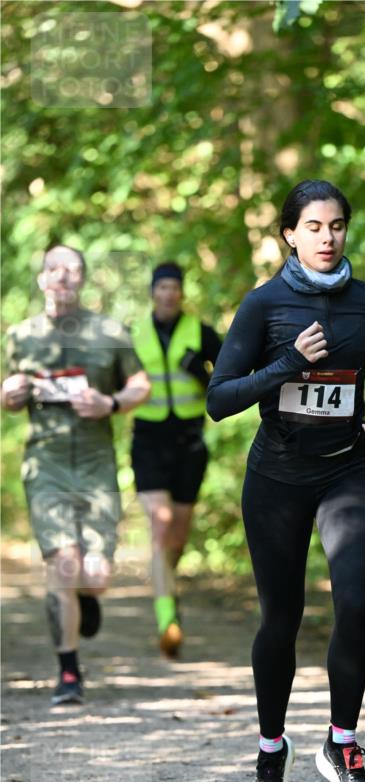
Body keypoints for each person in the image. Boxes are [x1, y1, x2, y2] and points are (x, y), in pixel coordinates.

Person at [207, 179, 365, 782]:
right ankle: (271, 751)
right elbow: (219, 399)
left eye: (337, 226)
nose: (327, 237)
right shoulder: (264, 305)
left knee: (355, 604)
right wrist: (287, 363)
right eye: (314, 227)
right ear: (290, 234)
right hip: (277, 478)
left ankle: (341, 744)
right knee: (281, 619)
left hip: (349, 470)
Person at [1, 244, 151, 705]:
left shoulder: (110, 332)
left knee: (96, 575)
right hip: (45, 464)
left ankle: (87, 595)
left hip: (95, 464)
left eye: (71, 270)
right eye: (54, 269)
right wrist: (10, 393)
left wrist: (110, 403)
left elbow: (140, 385)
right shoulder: (20, 336)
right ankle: (69, 672)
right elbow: (8, 395)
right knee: (62, 564)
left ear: (83, 279)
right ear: (42, 279)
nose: (62, 277)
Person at [130, 262, 222, 657]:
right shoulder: (132, 334)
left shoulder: (201, 333)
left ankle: (168, 586)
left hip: (188, 443)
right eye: (162, 287)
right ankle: (167, 619)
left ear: (182, 292)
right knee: (161, 524)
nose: (168, 293)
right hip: (148, 440)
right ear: (153, 292)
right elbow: (113, 382)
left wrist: (199, 372)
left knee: (178, 537)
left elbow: (227, 383)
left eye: (174, 287)